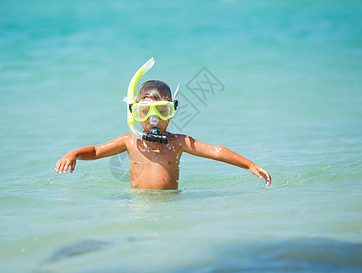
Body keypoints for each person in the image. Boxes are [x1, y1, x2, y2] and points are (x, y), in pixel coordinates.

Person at [55, 59, 271, 190]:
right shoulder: (130, 141)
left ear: (172, 112)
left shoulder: (178, 143)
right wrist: (73, 153)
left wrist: (249, 164)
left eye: (162, 111)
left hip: (170, 205)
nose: (154, 119)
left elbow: (216, 151)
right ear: (134, 113)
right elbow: (96, 151)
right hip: (138, 205)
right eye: (145, 112)